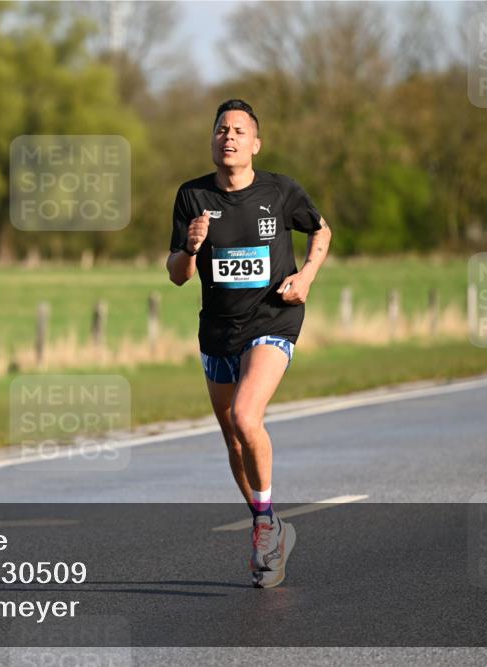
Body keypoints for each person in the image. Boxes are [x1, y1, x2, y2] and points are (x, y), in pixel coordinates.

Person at [166, 99, 331, 588]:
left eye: (239, 130)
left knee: (245, 415)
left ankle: (262, 526)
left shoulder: (280, 191)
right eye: (221, 129)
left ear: (255, 143)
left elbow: (321, 232)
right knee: (232, 438)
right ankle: (273, 523)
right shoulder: (191, 195)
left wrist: (307, 276)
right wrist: (191, 247)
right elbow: (176, 275)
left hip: (273, 319)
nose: (229, 136)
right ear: (212, 140)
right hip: (218, 330)